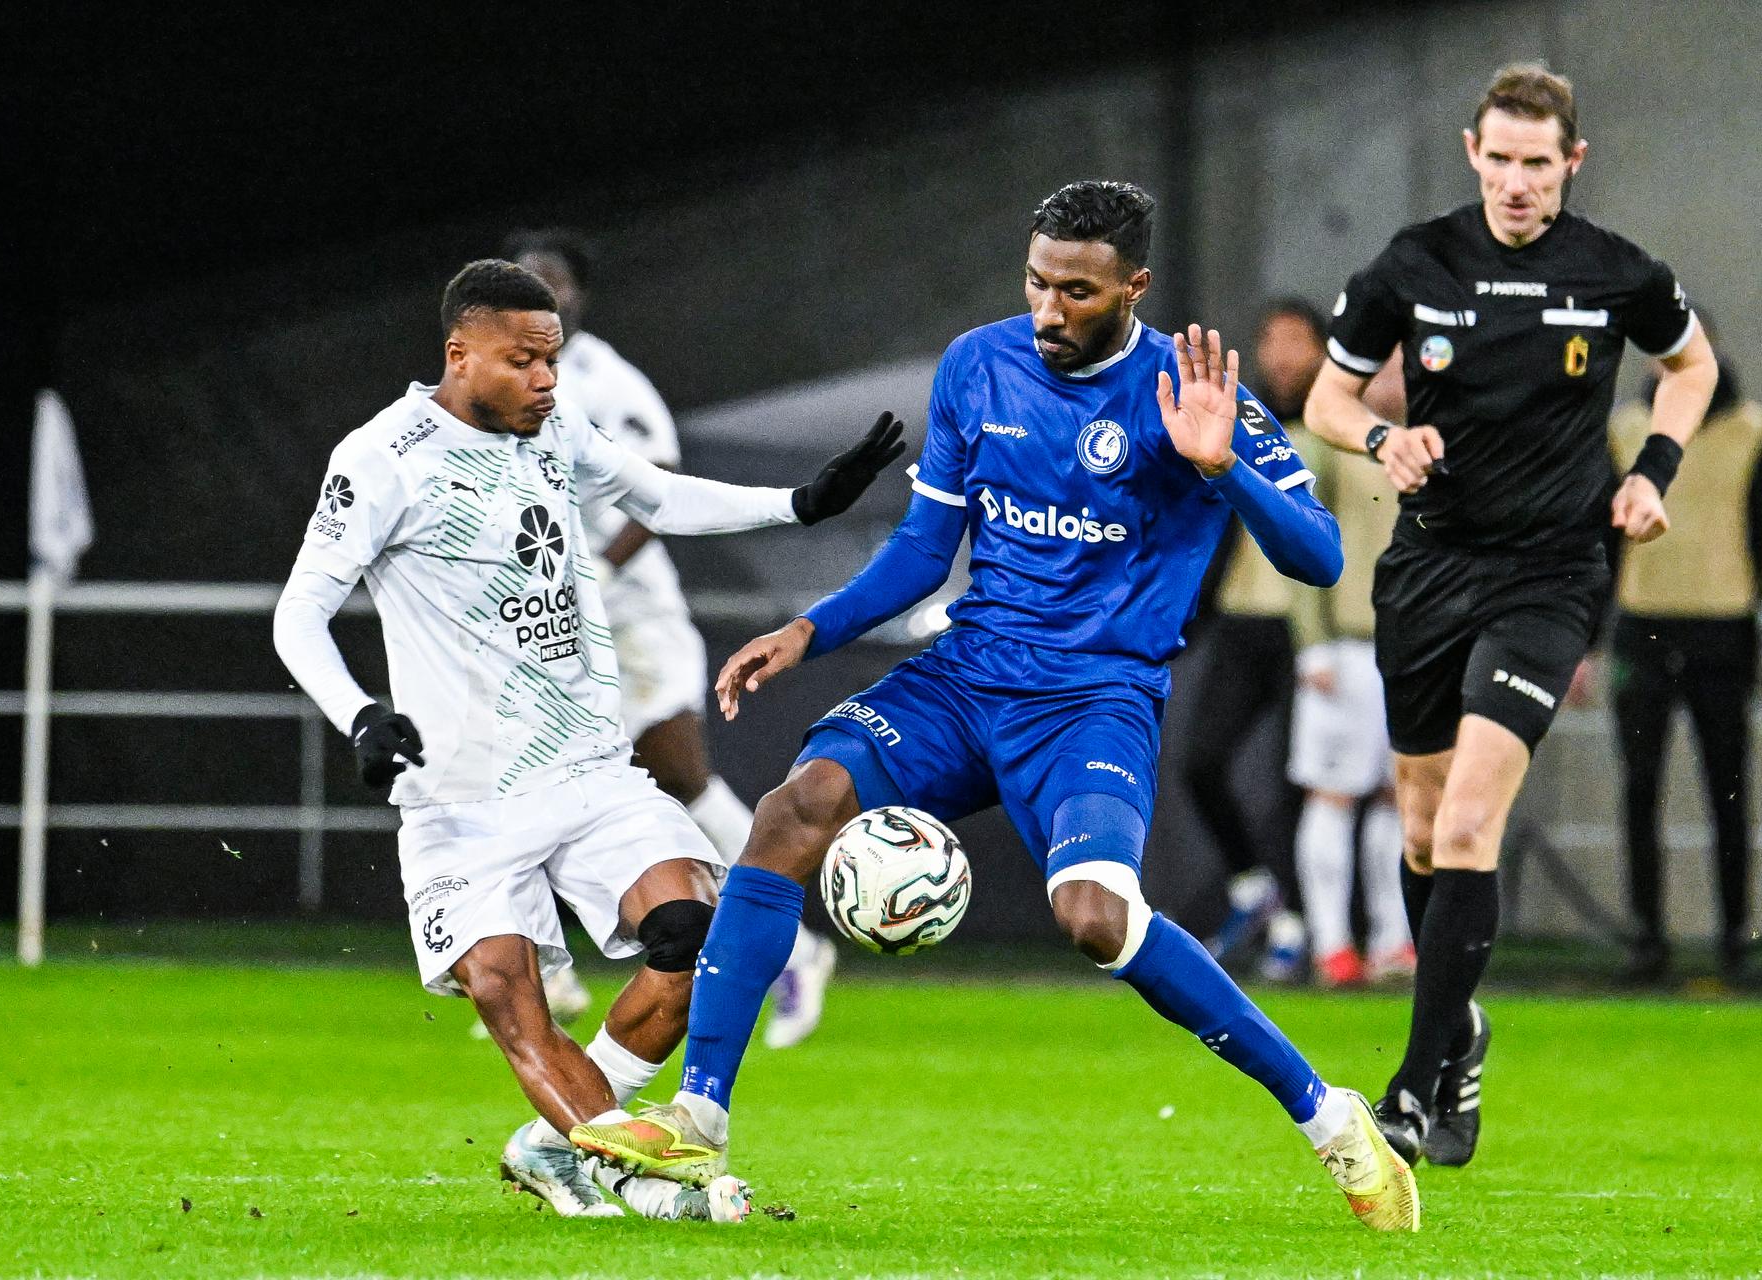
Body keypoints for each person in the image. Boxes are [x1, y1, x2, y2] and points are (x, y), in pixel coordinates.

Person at [576, 180, 1423, 1232]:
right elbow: (924, 548)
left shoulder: (1193, 389)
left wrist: (1221, 469)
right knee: (794, 810)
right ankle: (699, 1114)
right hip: (967, 676)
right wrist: (810, 631)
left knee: (1096, 919)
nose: (1049, 309)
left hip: (1093, 700)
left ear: (1134, 287)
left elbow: (1320, 556)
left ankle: (1328, 1114)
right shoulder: (978, 364)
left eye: (1078, 292)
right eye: (1037, 282)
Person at [271, 259, 901, 1220]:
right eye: (523, 362)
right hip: (462, 800)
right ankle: (636, 1180)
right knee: (509, 994)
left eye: (552, 360)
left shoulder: (555, 428)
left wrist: (799, 504)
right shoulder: (381, 457)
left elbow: (658, 497)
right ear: (460, 354)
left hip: (589, 772)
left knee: (696, 935)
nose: (545, 381)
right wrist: (359, 712)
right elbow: (298, 615)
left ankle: (559, 1144)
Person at [1305, 63, 1718, 1168]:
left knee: (1469, 825)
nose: (1518, 182)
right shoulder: (1415, 263)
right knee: (1422, 827)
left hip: (1550, 577)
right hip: (1428, 573)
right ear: (1472, 153)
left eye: (1539, 163)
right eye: (1500, 159)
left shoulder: (1618, 272)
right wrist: (1383, 437)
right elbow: (1326, 396)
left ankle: (1409, 1090)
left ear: (1572, 163)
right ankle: (1462, 1029)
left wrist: (1653, 472)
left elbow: (1691, 368)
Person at [504, 229, 838, 1048]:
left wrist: (594, 573)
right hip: (551, 624)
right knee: (529, 779)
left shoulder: (605, 382)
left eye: (552, 283)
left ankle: (794, 943)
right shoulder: (497, 382)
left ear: (578, 296)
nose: (541, 296)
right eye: (524, 281)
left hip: (628, 619)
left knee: (680, 781)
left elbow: (660, 489)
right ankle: (541, 965)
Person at [1582, 340, 1762, 984]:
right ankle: (1646, 939)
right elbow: (1600, 542)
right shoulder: (1626, 428)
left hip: (1724, 631)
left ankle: (1736, 939)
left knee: (1728, 789)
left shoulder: (1750, 430)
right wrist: (1585, 642)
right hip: (1643, 629)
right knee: (1639, 788)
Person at [1179, 299, 1327, 976]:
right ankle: (1253, 888)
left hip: (1310, 631)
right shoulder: (1237, 419)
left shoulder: (1335, 424)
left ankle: (1297, 924)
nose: (1283, 355)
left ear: (1323, 349)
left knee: (1296, 785)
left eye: (1298, 340)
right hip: (1241, 620)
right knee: (1200, 763)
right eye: (1272, 340)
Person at [1287, 351, 1410, 987]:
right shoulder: (1329, 442)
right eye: (1384, 366)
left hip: (1414, 650)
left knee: (1400, 794)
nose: (1395, 379)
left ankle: (1393, 941)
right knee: (1332, 794)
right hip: (1349, 646)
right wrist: (1312, 643)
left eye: (1406, 365)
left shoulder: (1434, 443)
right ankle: (1331, 944)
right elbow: (1299, 538)